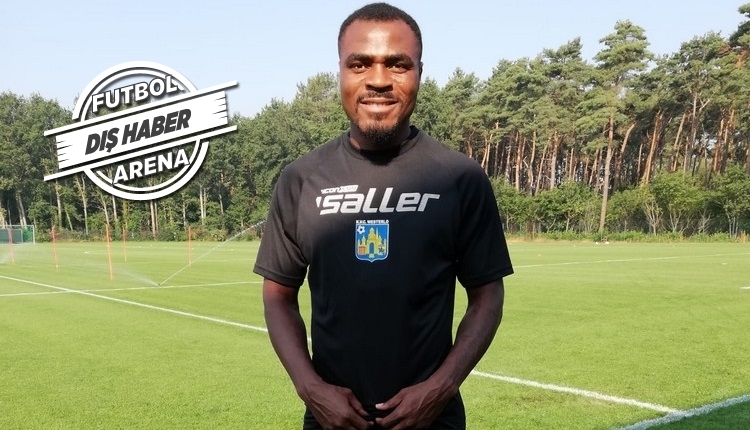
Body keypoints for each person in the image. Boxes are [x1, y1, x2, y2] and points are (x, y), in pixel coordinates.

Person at [253, 3, 513, 429]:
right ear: (340, 72)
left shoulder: (460, 178)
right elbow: (277, 296)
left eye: (397, 64)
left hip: (433, 421)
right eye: (360, 64)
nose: (378, 79)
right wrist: (311, 389)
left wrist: (441, 388)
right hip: (331, 420)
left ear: (419, 73)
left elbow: (488, 297)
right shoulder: (300, 179)